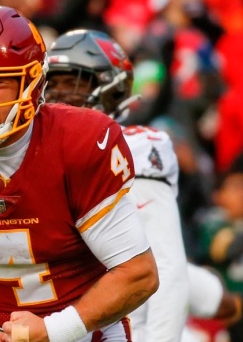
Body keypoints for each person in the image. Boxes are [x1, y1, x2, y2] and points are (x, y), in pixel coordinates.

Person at [0, 5, 159, 342]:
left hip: (86, 334)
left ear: (34, 84)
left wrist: (55, 330)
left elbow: (139, 274)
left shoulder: (78, 143)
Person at [45, 29, 189, 341]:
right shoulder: (33, 155)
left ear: (111, 90)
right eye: (51, 84)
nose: (56, 96)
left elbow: (166, 266)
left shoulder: (132, 148)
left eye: (72, 83)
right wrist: (216, 297)